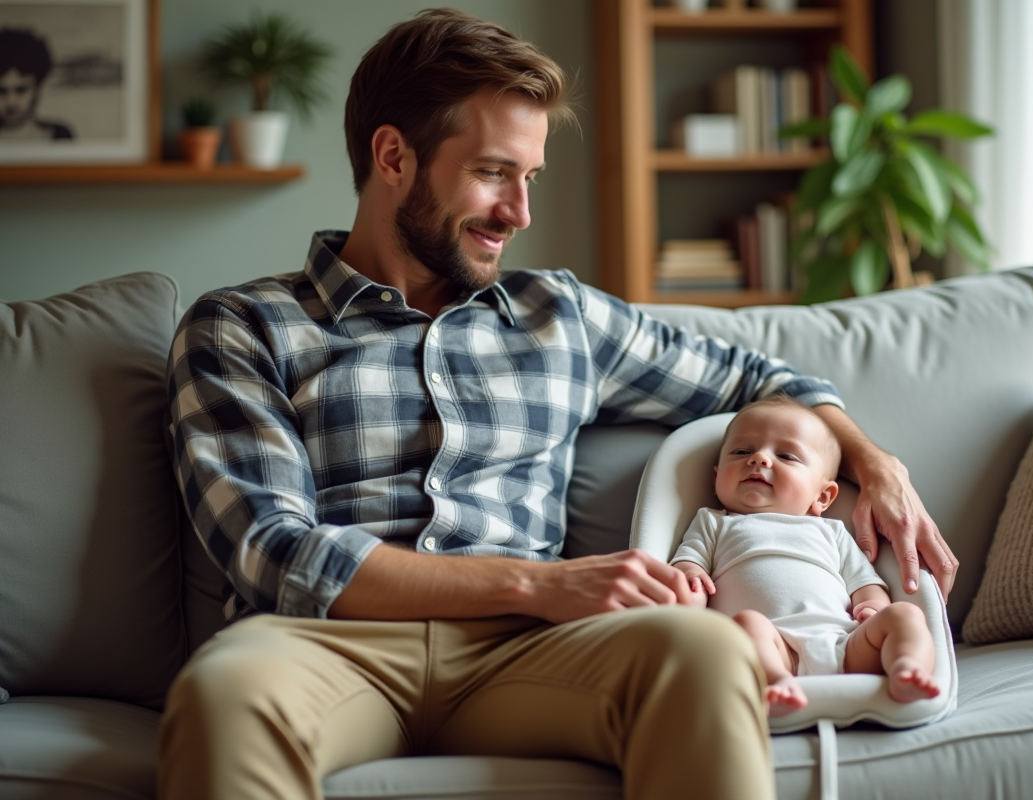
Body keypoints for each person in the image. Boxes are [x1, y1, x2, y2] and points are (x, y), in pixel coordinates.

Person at [158, 9, 957, 800]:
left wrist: (873, 461)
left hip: (531, 656)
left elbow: (763, 380)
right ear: (393, 155)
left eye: (529, 178)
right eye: (493, 173)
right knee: (225, 694)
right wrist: (538, 585)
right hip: (328, 647)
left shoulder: (561, 316)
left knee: (706, 656)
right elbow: (273, 549)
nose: (520, 214)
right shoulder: (242, 326)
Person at [670, 395, 941, 715]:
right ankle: (776, 681)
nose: (758, 459)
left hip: (845, 644)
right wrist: (690, 575)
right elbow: (689, 560)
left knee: (905, 617)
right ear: (716, 477)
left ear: (823, 496)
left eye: (785, 455)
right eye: (742, 452)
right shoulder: (714, 521)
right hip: (775, 645)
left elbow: (865, 582)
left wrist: (872, 606)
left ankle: (907, 668)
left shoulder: (832, 532)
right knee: (746, 626)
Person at [0, 27, 74, 140]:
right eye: (1, 91)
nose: (11, 102)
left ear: (39, 87)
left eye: (21, 90)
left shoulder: (61, 136)